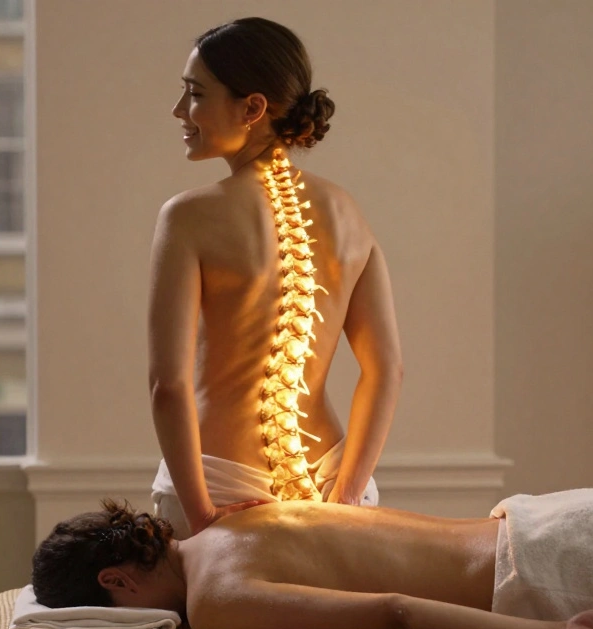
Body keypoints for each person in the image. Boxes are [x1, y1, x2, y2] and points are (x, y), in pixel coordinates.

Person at [148, 17, 404, 538]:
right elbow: (387, 370)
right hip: (334, 488)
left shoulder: (188, 216)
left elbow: (167, 386)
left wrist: (201, 518)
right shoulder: (347, 212)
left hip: (220, 492)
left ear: (253, 107)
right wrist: (350, 496)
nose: (179, 111)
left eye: (195, 94)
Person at [31, 497, 593, 629]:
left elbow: (395, 615)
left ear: (116, 581)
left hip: (554, 571)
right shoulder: (235, 522)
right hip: (550, 518)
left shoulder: (215, 599)